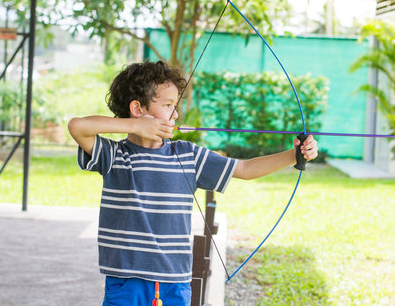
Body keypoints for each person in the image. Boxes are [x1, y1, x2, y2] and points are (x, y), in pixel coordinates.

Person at [68, 60, 318, 306]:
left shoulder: (188, 155)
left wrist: (294, 154)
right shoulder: (114, 156)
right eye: (168, 105)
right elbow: (78, 126)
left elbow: (244, 168)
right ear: (137, 109)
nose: (175, 114)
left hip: (174, 283)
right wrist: (134, 126)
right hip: (125, 281)